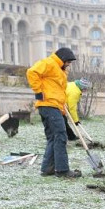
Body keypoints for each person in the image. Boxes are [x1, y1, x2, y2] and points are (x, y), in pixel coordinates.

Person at [27, 47, 81, 178]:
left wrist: (62, 109)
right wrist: (38, 91)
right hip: (49, 104)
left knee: (53, 137)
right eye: (68, 62)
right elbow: (31, 72)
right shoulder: (49, 63)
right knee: (61, 135)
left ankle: (47, 169)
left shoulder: (60, 70)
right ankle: (62, 170)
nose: (69, 65)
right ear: (62, 59)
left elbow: (57, 90)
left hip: (55, 106)